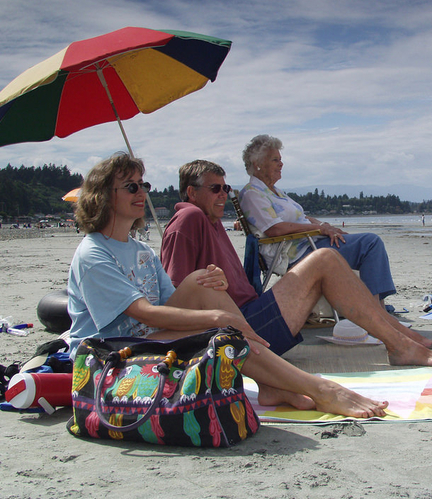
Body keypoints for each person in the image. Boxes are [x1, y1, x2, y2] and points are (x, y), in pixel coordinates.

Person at [66, 152, 390, 419]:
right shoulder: (94, 253)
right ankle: (322, 389)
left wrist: (212, 289)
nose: (142, 193)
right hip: (111, 358)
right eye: (131, 187)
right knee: (222, 332)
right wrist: (216, 318)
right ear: (104, 197)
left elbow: (171, 304)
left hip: (147, 341)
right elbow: (148, 314)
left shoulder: (139, 251)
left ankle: (273, 382)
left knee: (204, 283)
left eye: (143, 185)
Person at [160, 159, 432, 367]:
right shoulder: (189, 218)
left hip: (249, 316)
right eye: (214, 189)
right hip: (240, 330)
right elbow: (176, 295)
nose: (223, 194)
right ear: (191, 192)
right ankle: (399, 343)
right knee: (324, 259)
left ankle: (400, 337)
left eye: (226, 188)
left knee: (329, 259)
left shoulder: (210, 222)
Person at [238, 135, 396, 305]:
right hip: (298, 253)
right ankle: (374, 310)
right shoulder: (253, 193)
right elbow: (274, 229)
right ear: (257, 164)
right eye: (275, 159)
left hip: (311, 242)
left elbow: (302, 217)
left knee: (364, 243)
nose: (281, 164)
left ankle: (372, 307)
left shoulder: (274, 191)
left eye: (280, 159)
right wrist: (319, 230)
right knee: (370, 243)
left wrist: (323, 225)